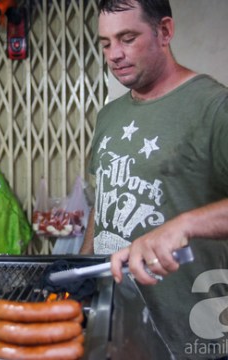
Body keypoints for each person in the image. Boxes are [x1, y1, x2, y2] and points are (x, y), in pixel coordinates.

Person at [80, 0, 228, 358]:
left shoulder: (214, 107)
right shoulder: (109, 116)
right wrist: (84, 268)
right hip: (119, 331)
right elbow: (104, 203)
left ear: (165, 31)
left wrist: (186, 223)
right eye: (105, 43)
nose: (114, 54)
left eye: (127, 38)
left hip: (193, 336)